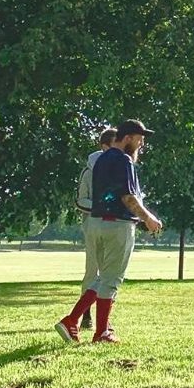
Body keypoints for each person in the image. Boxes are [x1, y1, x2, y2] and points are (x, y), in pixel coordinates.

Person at [56, 119, 162, 344]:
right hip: (118, 226)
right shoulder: (124, 160)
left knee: (103, 277)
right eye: (139, 139)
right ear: (128, 138)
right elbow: (128, 197)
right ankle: (101, 332)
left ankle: (72, 320)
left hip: (96, 223)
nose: (141, 144)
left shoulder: (101, 160)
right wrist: (148, 218)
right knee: (112, 279)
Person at [73, 128, 117, 330]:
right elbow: (80, 200)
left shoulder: (119, 168)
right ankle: (86, 315)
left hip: (115, 225)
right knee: (93, 270)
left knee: (111, 272)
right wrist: (100, 207)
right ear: (104, 146)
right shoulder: (89, 171)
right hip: (93, 225)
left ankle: (104, 318)